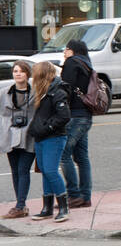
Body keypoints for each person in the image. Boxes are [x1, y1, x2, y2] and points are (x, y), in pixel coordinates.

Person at [27, 60, 71, 223]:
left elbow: (64, 116)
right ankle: (47, 208)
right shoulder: (42, 91)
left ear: (42, 75)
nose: (32, 77)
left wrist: (46, 128)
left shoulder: (57, 92)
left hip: (54, 137)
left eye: (35, 74)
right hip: (40, 137)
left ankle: (64, 208)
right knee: (45, 170)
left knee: (51, 171)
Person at [59, 38, 95, 208]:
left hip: (74, 115)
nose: (64, 52)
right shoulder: (87, 64)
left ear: (73, 50)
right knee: (82, 157)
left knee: (64, 154)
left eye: (66, 49)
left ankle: (73, 195)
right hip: (86, 114)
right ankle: (86, 196)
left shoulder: (72, 63)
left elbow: (66, 88)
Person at [1, 60, 36, 220]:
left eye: (21, 71)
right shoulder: (4, 93)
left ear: (27, 74)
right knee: (15, 171)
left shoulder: (36, 93)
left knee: (23, 170)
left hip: (29, 136)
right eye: (15, 71)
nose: (18, 74)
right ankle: (20, 204)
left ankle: (20, 205)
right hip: (10, 136)